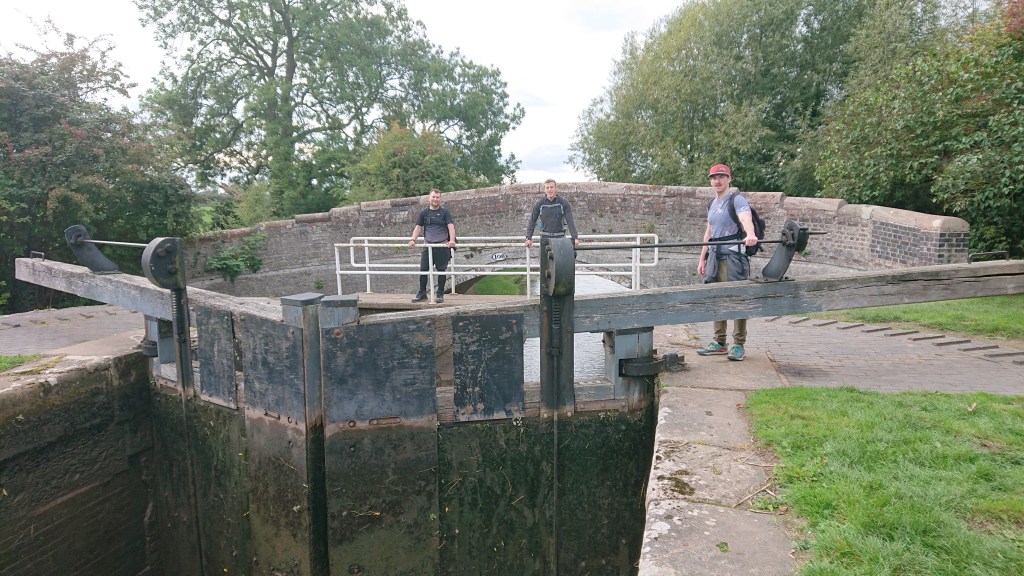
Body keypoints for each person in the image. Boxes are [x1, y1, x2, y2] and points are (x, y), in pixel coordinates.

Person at [695, 164, 759, 361]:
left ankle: (739, 344)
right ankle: (719, 342)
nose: (717, 181)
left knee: (738, 297)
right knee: (716, 298)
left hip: (733, 256)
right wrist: (702, 258)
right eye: (714, 178)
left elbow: (745, 218)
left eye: (721, 177)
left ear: (729, 179)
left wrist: (750, 234)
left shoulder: (736, 199)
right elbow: (709, 232)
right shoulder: (712, 204)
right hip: (714, 255)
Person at [408, 189, 456, 303]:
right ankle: (422, 293)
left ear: (440, 199)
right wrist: (413, 239)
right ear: (429, 198)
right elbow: (418, 227)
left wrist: (452, 240)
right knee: (423, 270)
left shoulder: (445, 212)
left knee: (441, 270)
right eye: (433, 197)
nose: (435, 199)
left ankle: (440, 293)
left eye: (437, 197)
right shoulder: (424, 213)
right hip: (428, 246)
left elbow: (451, 227)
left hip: (441, 246)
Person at [524, 179, 580, 248]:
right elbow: (532, 221)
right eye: (547, 188)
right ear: (545, 190)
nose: (549, 190)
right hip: (545, 239)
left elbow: (570, 221)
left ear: (555, 188)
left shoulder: (564, 203)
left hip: (560, 238)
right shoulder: (539, 204)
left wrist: (575, 237)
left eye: (551, 187)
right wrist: (528, 238)